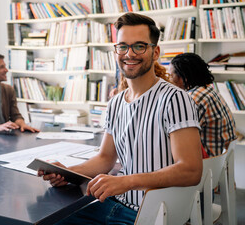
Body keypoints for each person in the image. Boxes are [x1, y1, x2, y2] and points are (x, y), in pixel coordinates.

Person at [39, 12, 203, 224]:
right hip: (114, 204)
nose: (129, 53)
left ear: (155, 53)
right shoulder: (116, 103)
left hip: (155, 213)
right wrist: (66, 173)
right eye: (123, 46)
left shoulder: (175, 99)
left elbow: (191, 170)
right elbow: (105, 159)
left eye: (139, 46)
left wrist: (127, 182)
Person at [169, 53, 237, 157]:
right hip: (221, 162)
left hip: (207, 164)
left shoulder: (193, 98)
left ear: (184, 77)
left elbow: (180, 135)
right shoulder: (208, 90)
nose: (169, 80)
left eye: (171, 76)